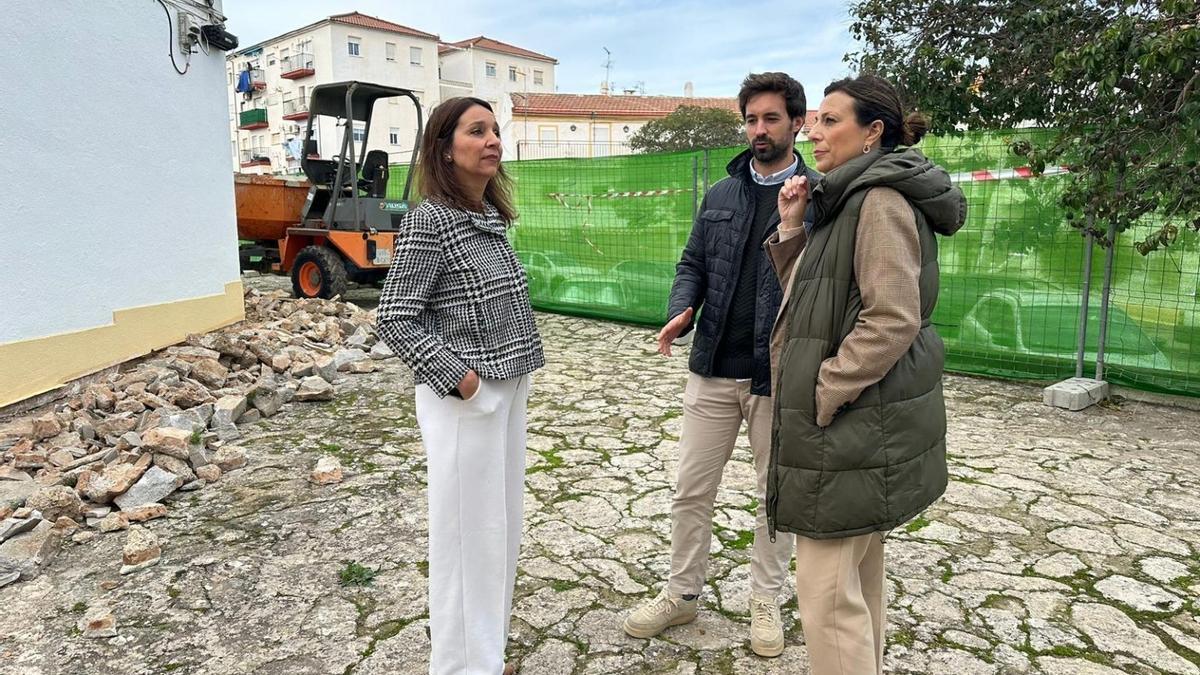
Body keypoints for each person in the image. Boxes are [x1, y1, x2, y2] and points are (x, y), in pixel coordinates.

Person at [768, 74, 966, 673]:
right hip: (857, 426)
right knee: (858, 584)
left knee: (827, 599)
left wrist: (828, 388)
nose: (813, 130)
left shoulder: (878, 201)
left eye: (831, 120)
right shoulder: (845, 195)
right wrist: (792, 227)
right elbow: (812, 302)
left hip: (852, 423)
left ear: (872, 131)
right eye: (815, 120)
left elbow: (892, 317)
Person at [622, 72, 820, 658]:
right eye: (752, 119)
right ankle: (682, 595)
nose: (759, 130)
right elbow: (693, 262)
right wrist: (682, 308)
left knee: (772, 496)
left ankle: (765, 600)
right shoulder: (721, 194)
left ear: (796, 123)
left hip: (775, 374)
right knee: (690, 490)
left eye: (771, 119)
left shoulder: (821, 196)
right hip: (710, 365)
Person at [376, 97, 543, 675]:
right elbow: (396, 317)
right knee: (466, 539)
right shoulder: (431, 220)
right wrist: (464, 383)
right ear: (445, 148)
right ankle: (460, 666)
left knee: (499, 532)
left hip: (507, 388)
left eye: (496, 130)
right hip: (466, 401)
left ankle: (486, 657)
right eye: (478, 131)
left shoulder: (488, 221)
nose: (493, 139)